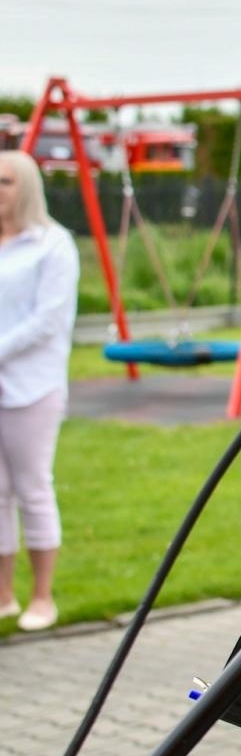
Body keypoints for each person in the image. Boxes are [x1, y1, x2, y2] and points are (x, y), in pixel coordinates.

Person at [0, 150, 79, 633]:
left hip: (32, 387)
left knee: (33, 489)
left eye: (5, 181)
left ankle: (42, 596)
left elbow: (47, 319)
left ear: (26, 187)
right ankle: (4, 594)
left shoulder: (53, 244)